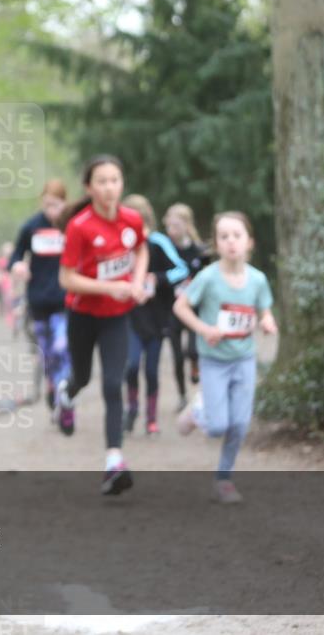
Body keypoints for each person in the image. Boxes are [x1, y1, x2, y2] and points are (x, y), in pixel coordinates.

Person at [56, 155, 148, 496]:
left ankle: (114, 460)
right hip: (82, 316)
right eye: (102, 181)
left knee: (114, 382)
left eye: (115, 180)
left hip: (116, 317)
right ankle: (66, 396)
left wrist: (136, 282)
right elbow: (66, 279)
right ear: (89, 187)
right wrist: (111, 287)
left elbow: (141, 251)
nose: (110, 188)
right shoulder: (80, 226)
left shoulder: (132, 220)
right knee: (82, 377)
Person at [173, 211, 277, 504]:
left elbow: (264, 309)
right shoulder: (208, 278)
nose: (231, 242)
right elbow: (181, 307)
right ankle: (197, 412)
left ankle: (224, 479)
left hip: (244, 359)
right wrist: (204, 329)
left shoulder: (257, 280)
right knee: (218, 425)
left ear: (249, 242)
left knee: (240, 424)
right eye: (224, 237)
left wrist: (267, 321)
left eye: (237, 236)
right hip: (214, 361)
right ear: (217, 245)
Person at [121, 194, 189, 435]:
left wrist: (157, 279)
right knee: (130, 367)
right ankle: (131, 410)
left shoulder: (159, 242)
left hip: (157, 318)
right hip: (129, 316)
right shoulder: (122, 243)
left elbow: (182, 269)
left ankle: (151, 418)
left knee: (151, 370)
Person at [9, 179, 71, 413]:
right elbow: (16, 255)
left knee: (61, 346)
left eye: (56, 205)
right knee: (46, 352)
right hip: (38, 300)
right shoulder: (31, 227)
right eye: (47, 204)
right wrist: (17, 266)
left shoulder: (72, 226)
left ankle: (64, 392)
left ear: (64, 203)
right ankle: (53, 386)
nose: (52, 210)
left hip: (65, 300)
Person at [163, 203, 210, 398]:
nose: (172, 231)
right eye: (169, 226)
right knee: (176, 356)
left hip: (193, 308)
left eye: (176, 226)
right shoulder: (164, 249)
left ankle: (195, 366)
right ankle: (182, 395)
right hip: (170, 309)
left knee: (193, 349)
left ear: (186, 225)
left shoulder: (199, 251)